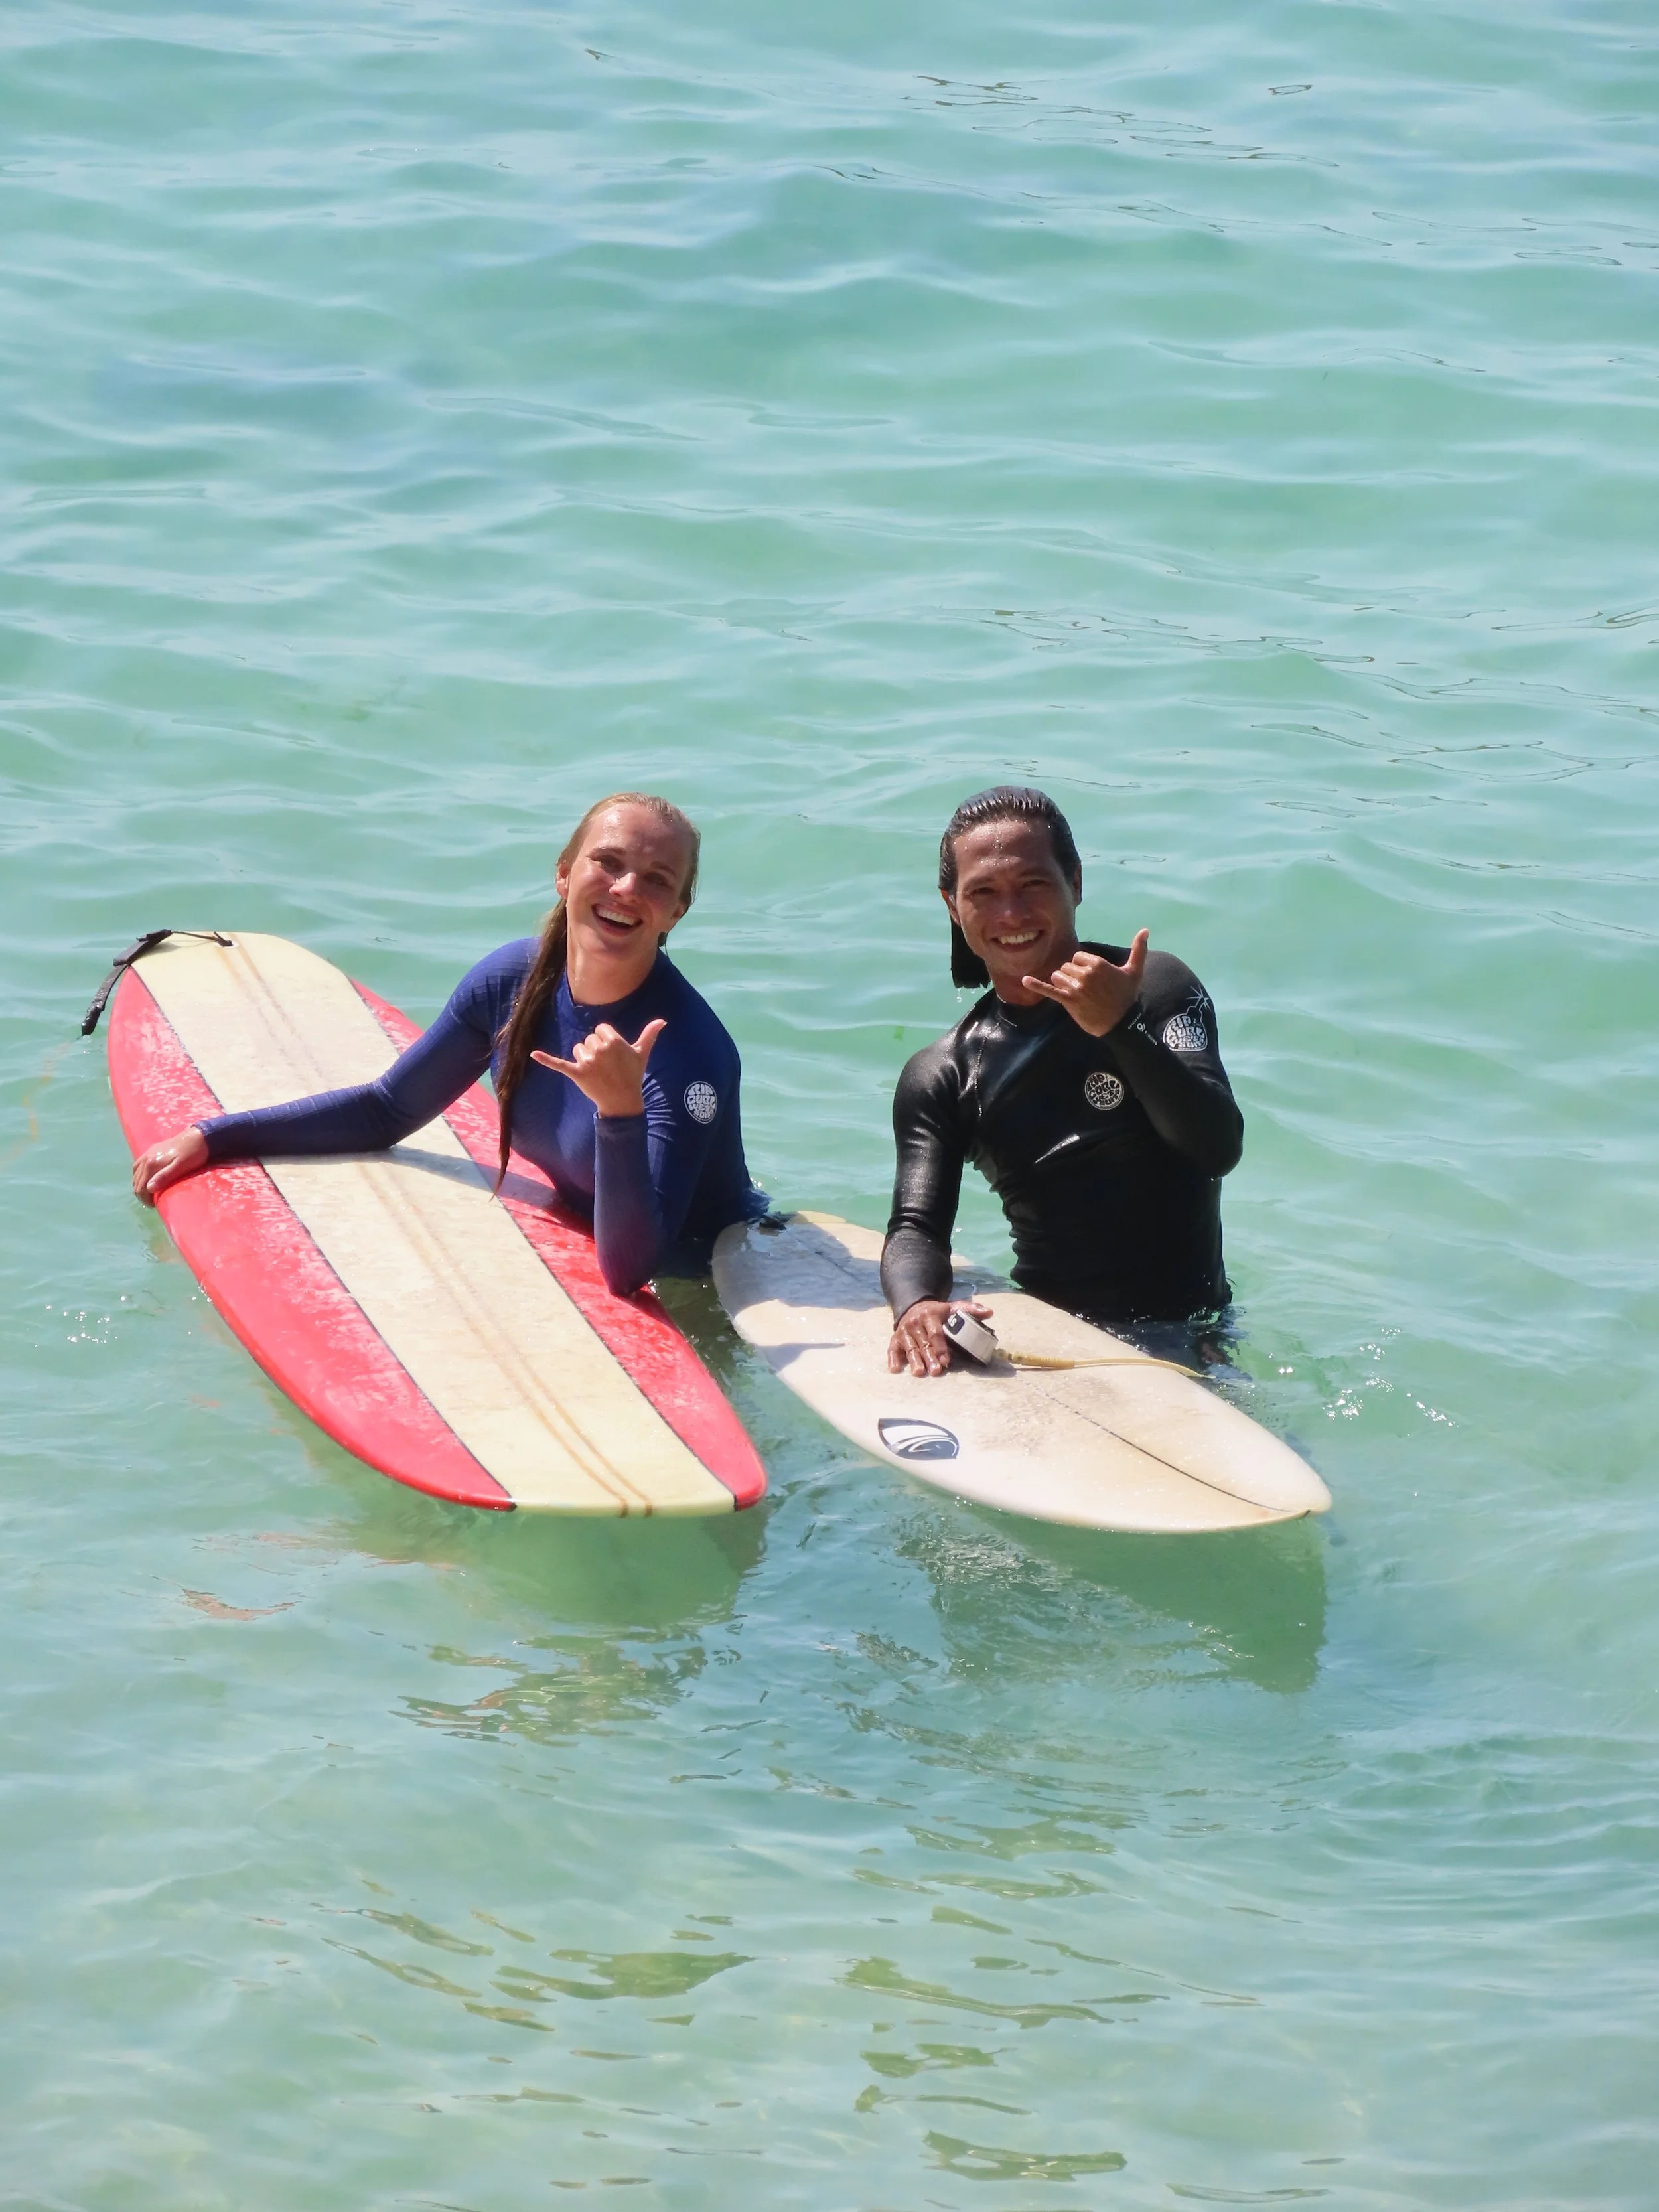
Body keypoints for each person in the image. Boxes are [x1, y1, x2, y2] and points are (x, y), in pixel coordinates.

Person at [131, 792, 766, 1297]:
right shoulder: (509, 984)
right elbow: (386, 1112)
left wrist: (621, 1113)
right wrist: (215, 1137)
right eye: (609, 862)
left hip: (713, 1285)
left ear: (677, 912)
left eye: (657, 879)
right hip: (594, 1246)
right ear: (564, 873)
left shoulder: (688, 1056)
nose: (628, 888)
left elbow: (631, 1272)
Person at [883, 786, 1243, 1377]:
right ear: (952, 904)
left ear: (1075, 881)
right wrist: (916, 1304)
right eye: (984, 893)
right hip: (1054, 1340)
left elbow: (1217, 1146)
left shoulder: (1154, 990)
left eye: (1033, 886)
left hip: (1192, 1332)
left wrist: (1121, 1029)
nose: (1012, 915)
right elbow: (916, 1228)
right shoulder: (945, 1072)